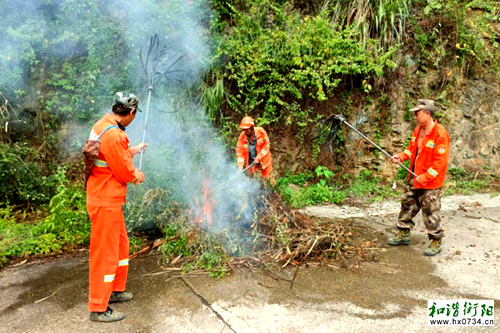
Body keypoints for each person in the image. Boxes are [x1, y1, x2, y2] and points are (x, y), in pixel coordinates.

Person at [86, 92, 147, 322]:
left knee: (121, 246)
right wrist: (137, 176)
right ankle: (98, 308)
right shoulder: (115, 135)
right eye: (134, 114)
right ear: (130, 113)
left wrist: (133, 151)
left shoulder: (103, 125)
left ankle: (115, 290)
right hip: (105, 200)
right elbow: (124, 172)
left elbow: (110, 157)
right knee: (105, 255)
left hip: (106, 198)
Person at [389, 99, 450, 256]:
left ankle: (436, 241)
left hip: (431, 183)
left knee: (430, 211)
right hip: (414, 177)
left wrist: (426, 177)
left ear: (427, 113)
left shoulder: (440, 134)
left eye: (417, 113)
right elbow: (411, 150)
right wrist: (401, 156)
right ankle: (403, 233)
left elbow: (440, 163)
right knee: (407, 204)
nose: (415, 117)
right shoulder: (418, 130)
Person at [236, 116, 273, 181]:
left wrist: (259, 157)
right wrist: (240, 167)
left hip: (264, 162)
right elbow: (240, 154)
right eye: (244, 129)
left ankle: (274, 190)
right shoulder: (242, 137)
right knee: (253, 183)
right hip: (251, 165)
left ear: (252, 127)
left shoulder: (261, 132)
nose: (245, 131)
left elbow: (266, 146)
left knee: (269, 180)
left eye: (247, 129)